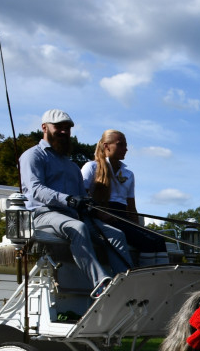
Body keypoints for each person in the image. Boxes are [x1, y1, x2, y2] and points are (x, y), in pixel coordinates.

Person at [19, 109, 131, 298]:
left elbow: (81, 197)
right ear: (44, 128)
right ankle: (102, 285)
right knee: (77, 228)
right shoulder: (33, 156)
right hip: (43, 214)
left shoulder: (71, 166)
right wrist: (68, 199)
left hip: (72, 215)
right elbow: (35, 189)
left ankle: (126, 284)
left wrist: (94, 209)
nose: (64, 132)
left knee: (116, 234)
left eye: (67, 128)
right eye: (59, 127)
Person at [81, 129, 169, 266]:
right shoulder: (91, 167)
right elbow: (81, 193)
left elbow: (131, 207)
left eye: (125, 145)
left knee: (159, 240)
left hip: (122, 216)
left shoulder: (128, 174)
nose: (126, 149)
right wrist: (98, 212)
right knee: (148, 242)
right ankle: (147, 279)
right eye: (120, 144)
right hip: (103, 216)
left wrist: (139, 228)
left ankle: (164, 278)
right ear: (106, 146)